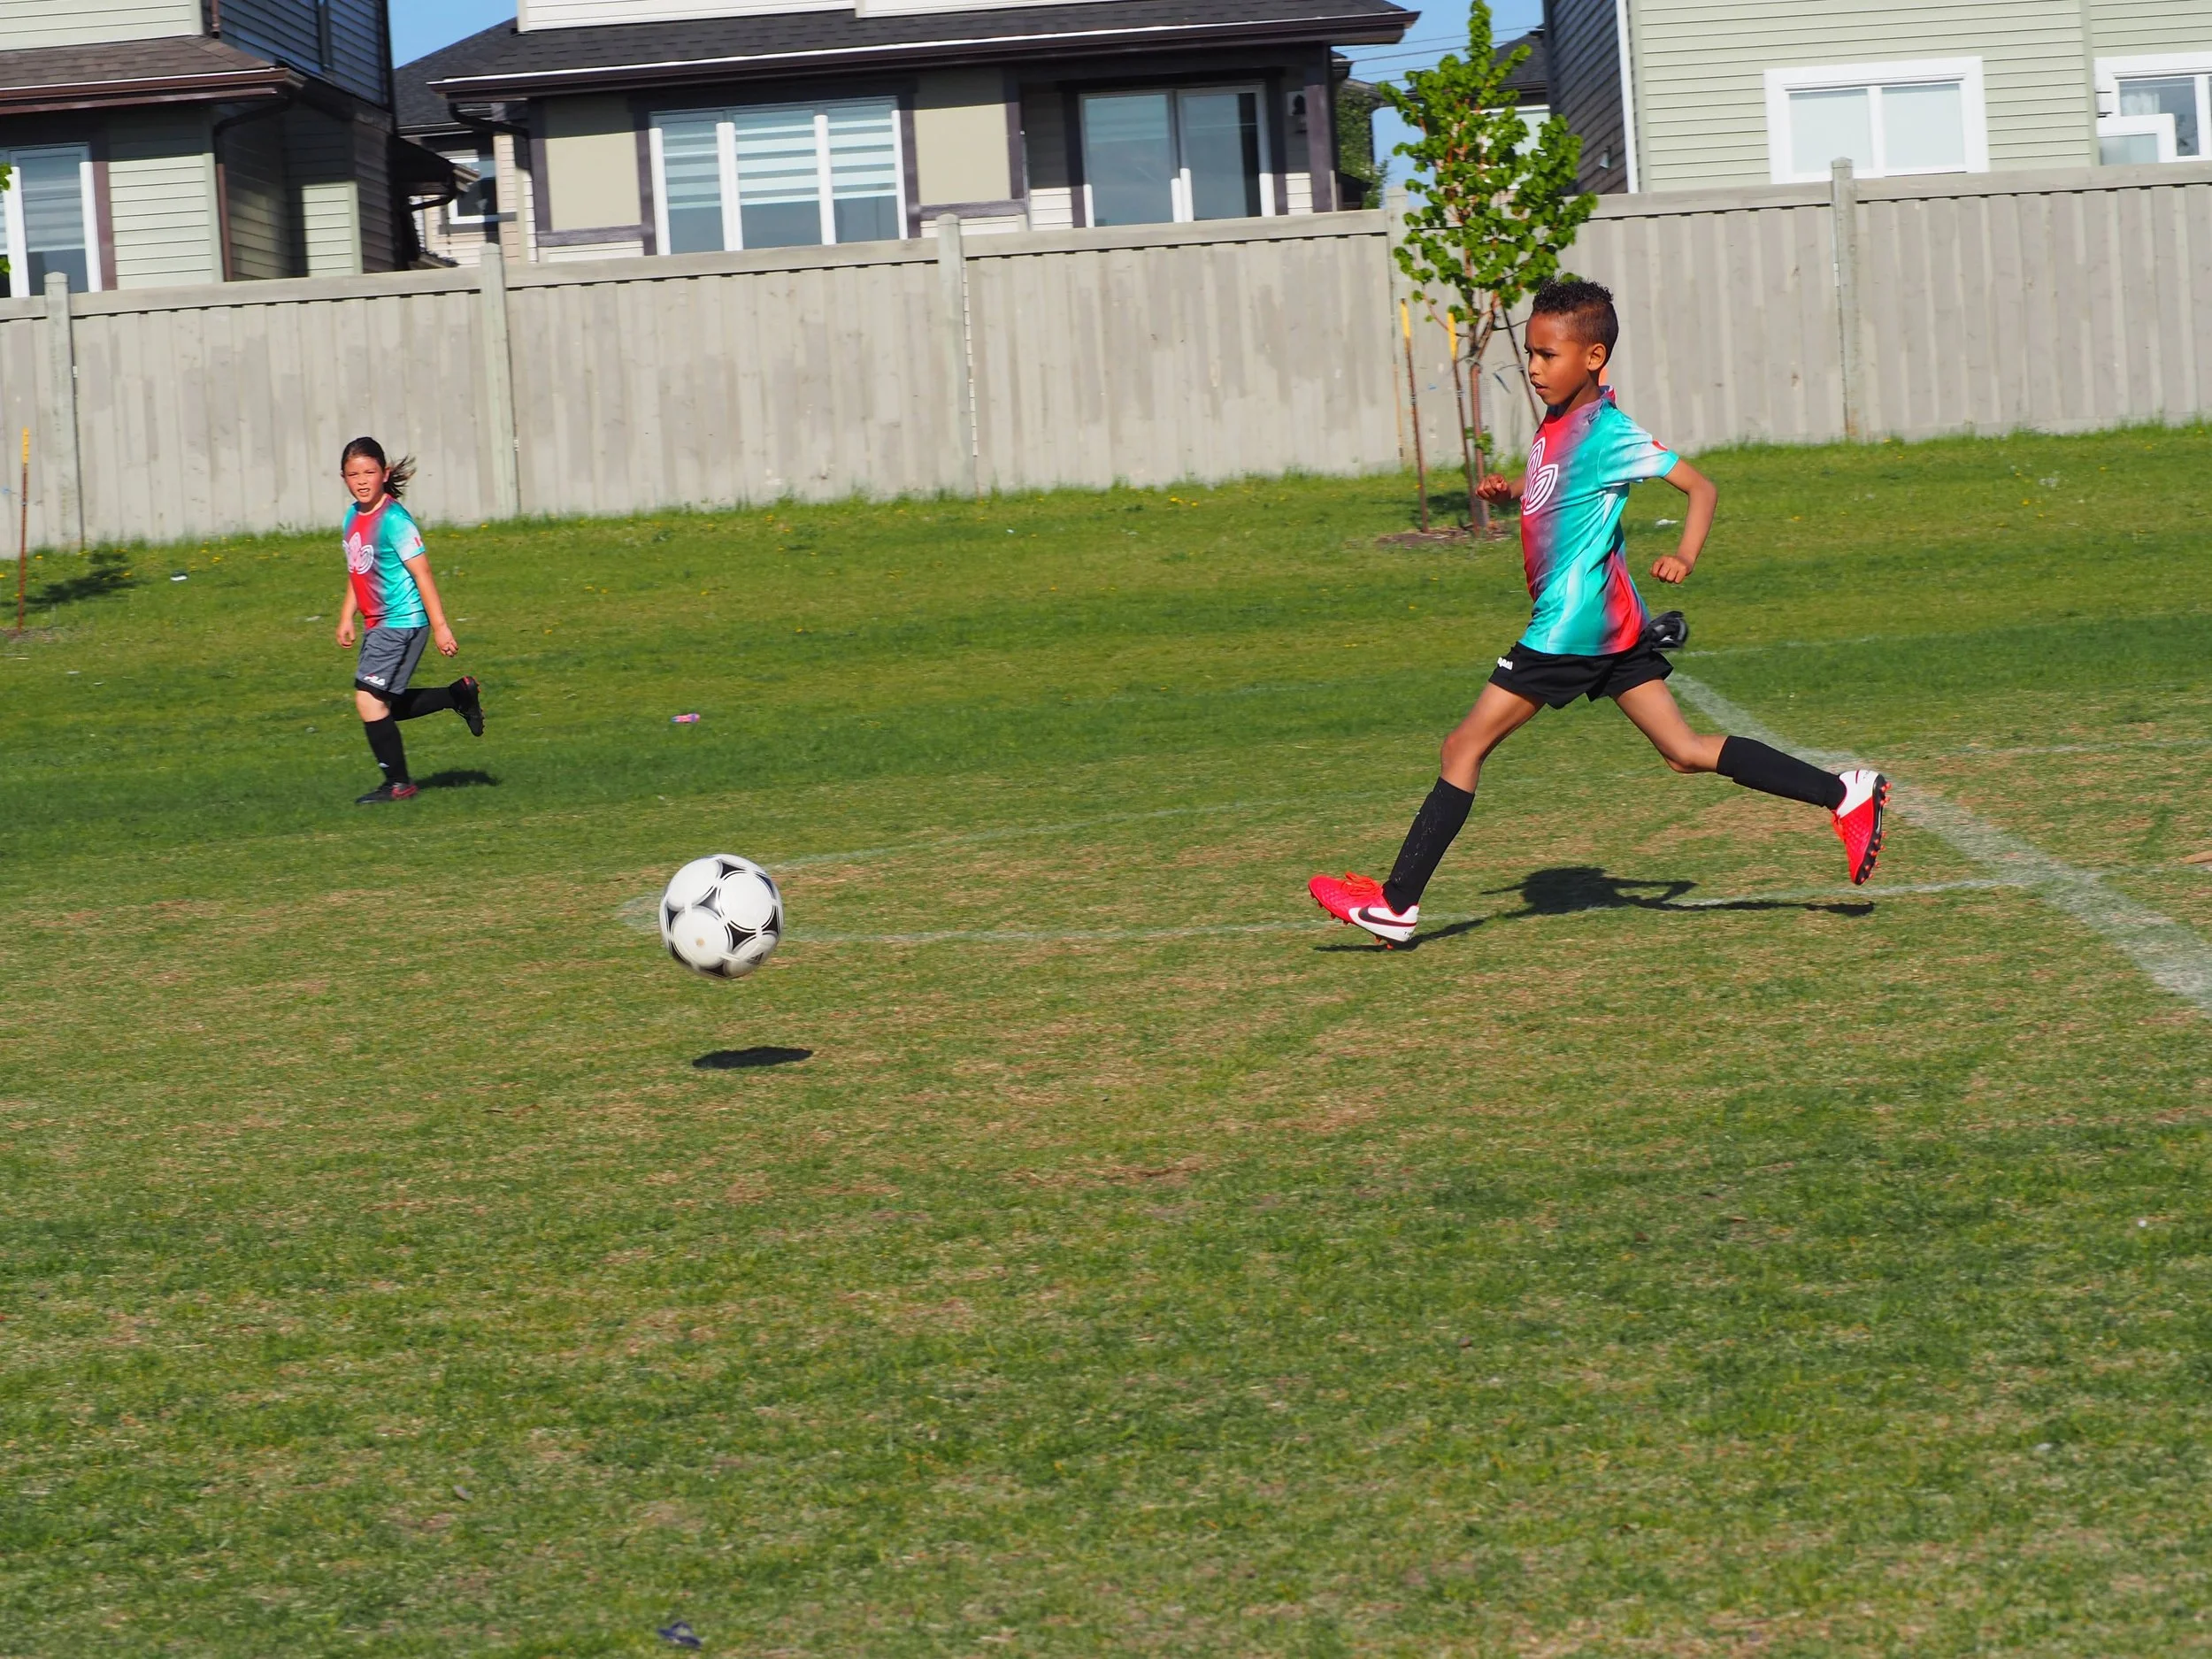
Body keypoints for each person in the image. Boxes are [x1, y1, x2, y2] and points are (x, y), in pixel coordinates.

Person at [1310, 280, 1887, 946]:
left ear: (1593, 357)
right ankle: (1844, 792)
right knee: (1683, 750)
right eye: (1529, 353)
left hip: (1570, 629)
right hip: (1612, 623)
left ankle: (1397, 904)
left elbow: (1701, 486)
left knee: (1463, 746)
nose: (1533, 367)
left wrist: (1684, 556)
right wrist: (1513, 492)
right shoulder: (1558, 422)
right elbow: (1562, 486)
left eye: (1548, 355)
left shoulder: (1611, 430)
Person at [334, 437, 482, 804]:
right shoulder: (353, 517)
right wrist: (346, 616)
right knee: (384, 704)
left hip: (402, 621)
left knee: (369, 700)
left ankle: (399, 784)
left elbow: (423, 573)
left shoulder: (394, 520)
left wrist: (442, 626)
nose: (362, 480)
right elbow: (360, 569)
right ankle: (457, 695)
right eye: (354, 474)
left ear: (384, 474)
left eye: (369, 472)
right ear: (344, 478)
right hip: (378, 623)